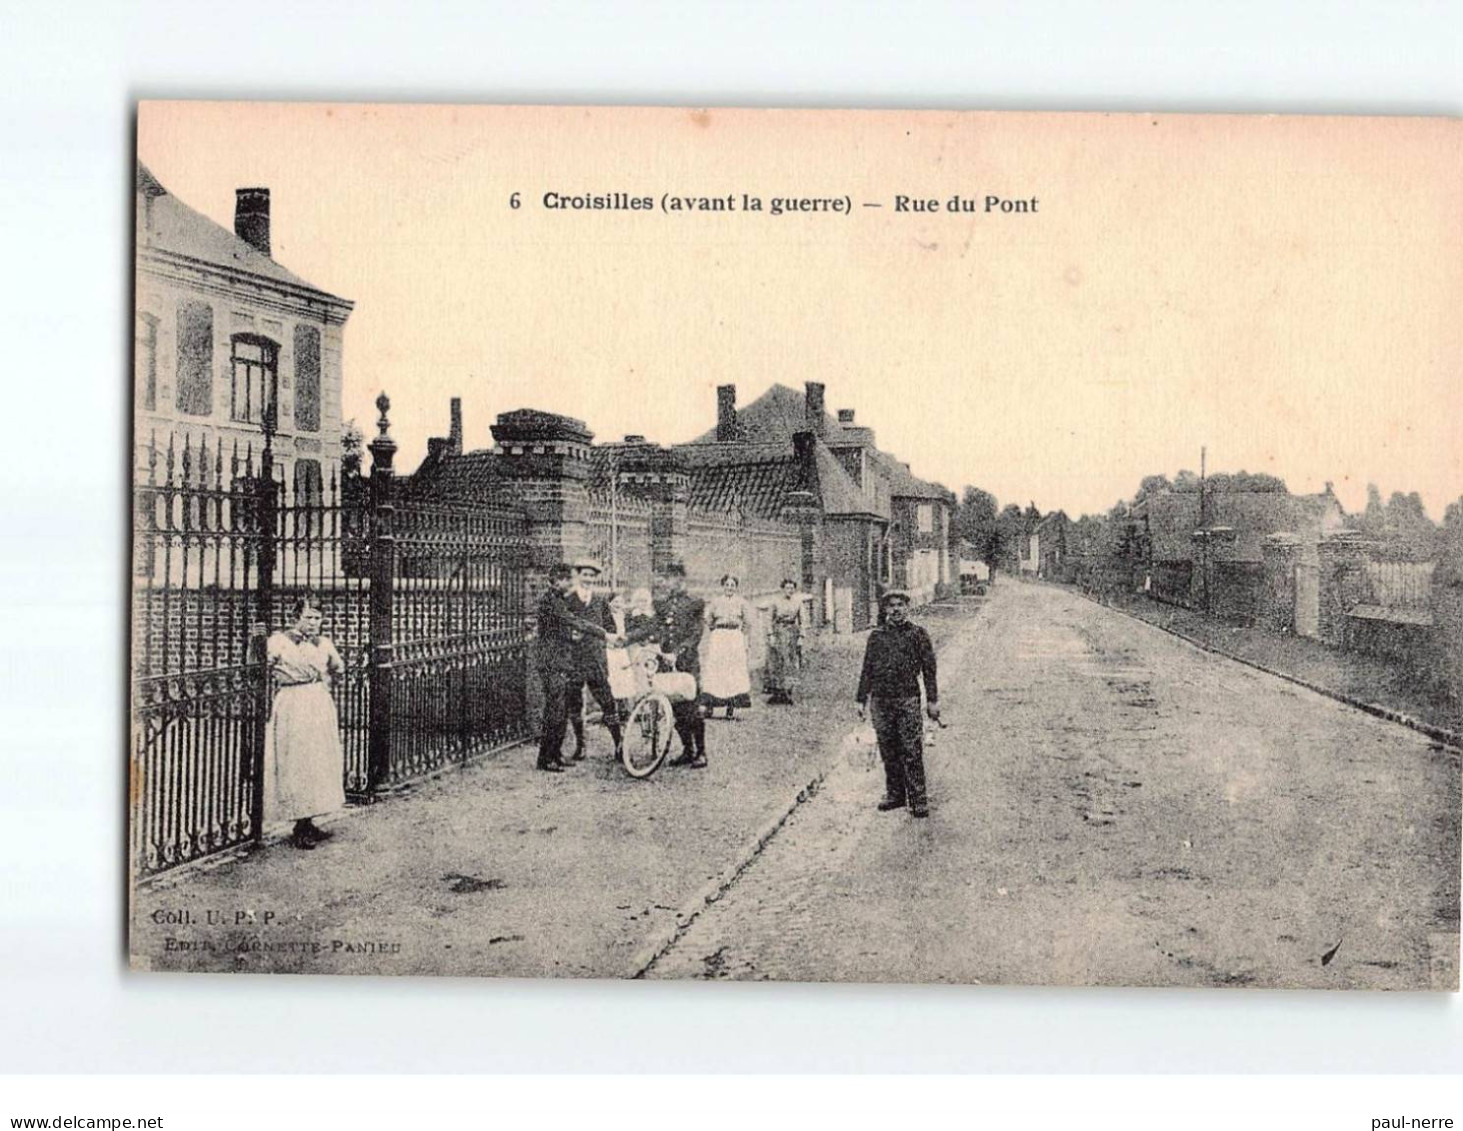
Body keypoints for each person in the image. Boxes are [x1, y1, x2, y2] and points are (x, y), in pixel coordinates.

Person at [263, 595, 346, 849]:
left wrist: (325, 684)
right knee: (297, 761)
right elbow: (260, 665)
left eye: (317, 618)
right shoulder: (279, 642)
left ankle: (308, 821)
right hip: (293, 703)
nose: (313, 623)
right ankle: (299, 823)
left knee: (317, 761)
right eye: (308, 617)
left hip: (318, 703)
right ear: (295, 618)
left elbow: (338, 668)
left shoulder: (323, 644)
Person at [855, 589, 940, 819]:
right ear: (885, 610)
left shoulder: (918, 635)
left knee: (911, 749)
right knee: (888, 749)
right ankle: (895, 794)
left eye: (900, 605)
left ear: (907, 608)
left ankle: (918, 799)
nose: (896, 610)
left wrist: (932, 700)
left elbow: (929, 670)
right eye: (891, 606)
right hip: (881, 701)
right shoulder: (876, 637)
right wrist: (861, 699)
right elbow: (867, 669)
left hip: (907, 699)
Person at [534, 563, 615, 773]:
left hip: (561, 661)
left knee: (559, 711)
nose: (570, 583)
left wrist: (572, 635)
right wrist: (604, 634)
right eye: (566, 579)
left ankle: (555, 755)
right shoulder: (551, 601)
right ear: (556, 581)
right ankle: (546, 759)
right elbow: (572, 621)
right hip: (552, 662)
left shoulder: (557, 599)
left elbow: (561, 629)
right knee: (554, 711)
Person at [627, 563, 707, 768]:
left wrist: (678, 652)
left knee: (692, 707)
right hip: (665, 662)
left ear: (682, 580)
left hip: (687, 662)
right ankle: (687, 750)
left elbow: (696, 634)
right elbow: (652, 627)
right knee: (674, 707)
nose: (670, 583)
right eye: (668, 578)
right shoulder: (662, 604)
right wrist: (626, 639)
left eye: (674, 579)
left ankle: (701, 752)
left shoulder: (695, 603)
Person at [562, 558, 623, 761]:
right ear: (578, 576)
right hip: (574, 659)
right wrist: (569, 635)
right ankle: (580, 746)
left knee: (607, 701)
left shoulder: (599, 601)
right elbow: (561, 626)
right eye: (584, 575)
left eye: (591, 576)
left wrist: (607, 640)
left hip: (596, 659)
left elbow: (611, 627)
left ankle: (619, 744)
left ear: (595, 578)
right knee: (574, 702)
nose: (587, 579)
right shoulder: (568, 599)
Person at [700, 573, 754, 719]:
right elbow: (708, 618)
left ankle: (730, 708)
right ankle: (710, 706)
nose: (730, 588)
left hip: (734, 637)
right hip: (719, 636)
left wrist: (741, 636)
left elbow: (748, 622)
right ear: (723, 586)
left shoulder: (741, 602)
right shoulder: (716, 602)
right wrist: (717, 630)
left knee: (732, 671)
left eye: (732, 585)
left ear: (736, 587)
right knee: (716, 669)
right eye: (727, 585)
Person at [761, 578, 806, 705]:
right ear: (782, 589)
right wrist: (771, 635)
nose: (789, 590)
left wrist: (801, 637)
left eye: (792, 588)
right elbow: (769, 619)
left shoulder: (798, 602)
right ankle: (776, 692)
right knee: (776, 662)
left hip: (792, 634)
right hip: (778, 632)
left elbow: (803, 620)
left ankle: (787, 692)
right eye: (787, 588)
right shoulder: (775, 602)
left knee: (789, 662)